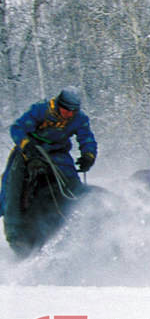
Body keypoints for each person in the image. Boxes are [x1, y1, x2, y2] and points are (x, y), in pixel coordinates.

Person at [0, 87, 97, 255]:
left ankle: (77, 222)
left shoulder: (79, 118)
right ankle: (16, 234)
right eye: (66, 110)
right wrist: (27, 147)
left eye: (73, 111)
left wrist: (88, 155)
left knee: (73, 188)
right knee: (12, 187)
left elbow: (86, 137)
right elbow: (17, 128)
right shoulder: (40, 110)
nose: (69, 114)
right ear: (58, 105)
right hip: (30, 151)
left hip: (58, 155)